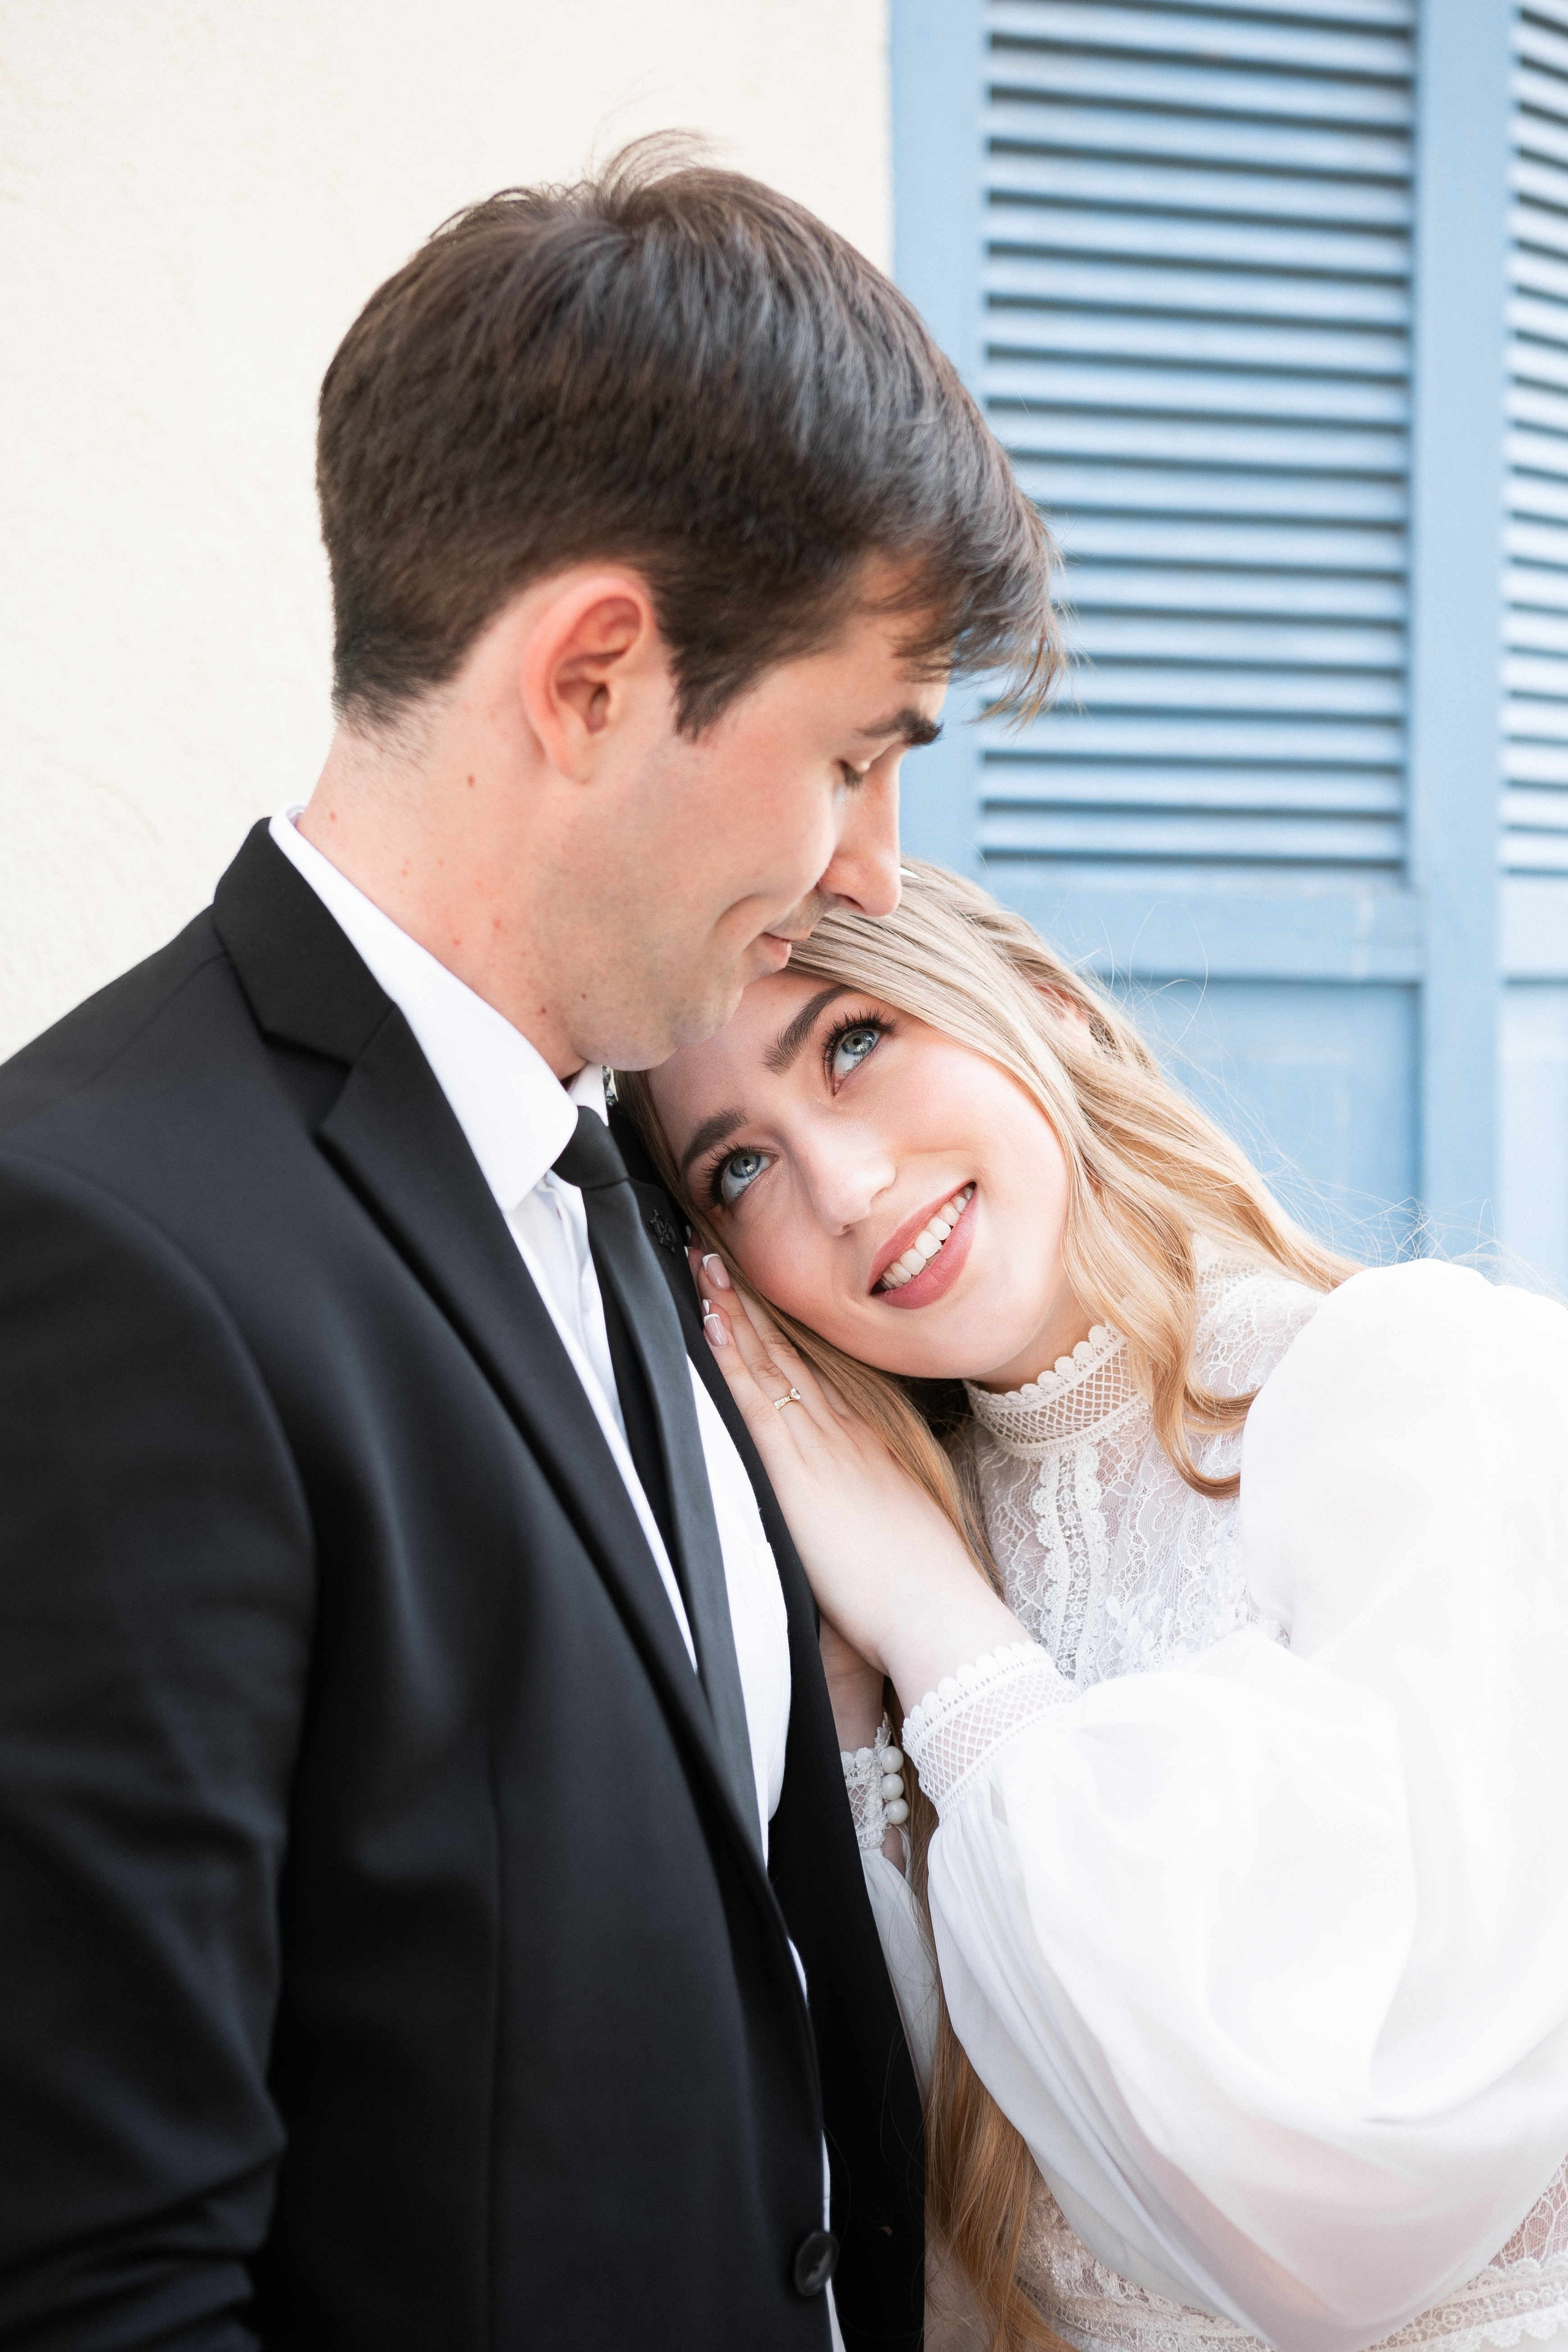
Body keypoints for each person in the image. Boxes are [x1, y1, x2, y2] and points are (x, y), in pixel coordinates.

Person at [0, 154, 1063, 2348]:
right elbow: (99, 2282)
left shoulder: (631, 1179)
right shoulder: (101, 1252)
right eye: (854, 756)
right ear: (595, 677)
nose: (873, 865)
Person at [627, 860, 1568, 2352]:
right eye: (737, 1168)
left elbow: (1358, 2167)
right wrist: (860, 1689)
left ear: (1047, 1012)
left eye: (853, 1040)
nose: (844, 1186)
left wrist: (947, 1643)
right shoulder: (859, 1566)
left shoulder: (1424, 1394)